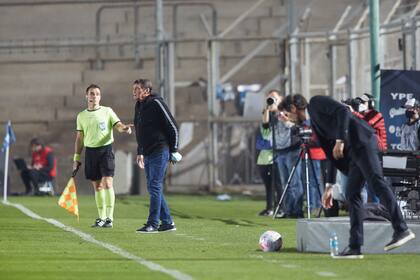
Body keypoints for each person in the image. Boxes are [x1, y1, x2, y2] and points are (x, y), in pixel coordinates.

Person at [280, 94, 415, 259]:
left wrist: (340, 139)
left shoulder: (315, 103)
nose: (289, 119)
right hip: (353, 154)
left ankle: (402, 229)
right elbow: (331, 155)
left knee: (377, 183)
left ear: (294, 108)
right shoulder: (314, 123)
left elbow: (343, 111)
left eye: (287, 114)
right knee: (352, 194)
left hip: (363, 142)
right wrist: (329, 187)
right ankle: (355, 247)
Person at [73, 84, 133, 228]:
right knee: (98, 186)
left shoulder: (107, 111)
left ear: (100, 96)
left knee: (108, 183)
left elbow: (117, 124)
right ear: (86, 96)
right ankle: (101, 218)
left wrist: (124, 128)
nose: (94, 96)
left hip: (105, 150)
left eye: (97, 94)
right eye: (92, 93)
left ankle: (110, 218)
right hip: (91, 152)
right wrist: (76, 158)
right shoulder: (81, 116)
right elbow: (79, 138)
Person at [132, 78, 181, 233]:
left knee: (154, 186)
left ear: (147, 91)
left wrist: (174, 149)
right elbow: (139, 130)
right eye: (133, 89)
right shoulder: (139, 105)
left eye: (137, 89)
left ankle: (152, 223)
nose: (134, 92)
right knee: (154, 187)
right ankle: (167, 222)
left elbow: (173, 125)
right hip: (147, 152)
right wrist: (140, 151)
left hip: (160, 150)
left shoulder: (156, 103)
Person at [262, 90, 303, 218]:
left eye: (274, 97)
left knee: (294, 182)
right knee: (285, 183)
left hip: (292, 150)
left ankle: (297, 210)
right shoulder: (272, 114)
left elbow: (297, 125)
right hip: (279, 151)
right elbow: (265, 126)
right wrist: (267, 110)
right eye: (269, 98)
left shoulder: (290, 110)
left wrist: (285, 117)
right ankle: (288, 210)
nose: (272, 99)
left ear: (280, 98)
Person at [256, 97, 282, 216]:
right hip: (264, 159)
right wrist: (267, 109)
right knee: (269, 186)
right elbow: (265, 124)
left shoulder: (280, 120)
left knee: (278, 185)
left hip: (276, 158)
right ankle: (270, 208)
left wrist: (277, 109)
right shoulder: (265, 125)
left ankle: (280, 207)